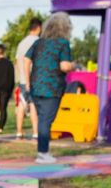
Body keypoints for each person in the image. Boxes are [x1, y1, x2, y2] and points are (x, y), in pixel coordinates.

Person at [23, 11, 75, 164]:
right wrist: (74, 65)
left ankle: (43, 151)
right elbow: (64, 66)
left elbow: (26, 60)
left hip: (35, 86)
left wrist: (27, 82)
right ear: (65, 28)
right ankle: (43, 153)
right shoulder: (62, 43)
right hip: (52, 87)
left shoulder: (38, 42)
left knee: (42, 120)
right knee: (46, 121)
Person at [15, 17, 42, 139]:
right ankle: (36, 132)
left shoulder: (21, 43)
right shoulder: (39, 42)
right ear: (39, 28)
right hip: (35, 79)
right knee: (33, 105)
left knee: (21, 104)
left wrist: (20, 77)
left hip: (22, 79)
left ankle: (19, 132)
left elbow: (17, 61)